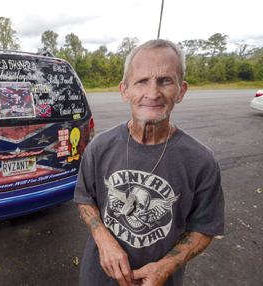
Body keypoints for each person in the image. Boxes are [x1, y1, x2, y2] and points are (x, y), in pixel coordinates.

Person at [74, 39, 225, 286]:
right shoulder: (100, 147)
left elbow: (205, 226)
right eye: (142, 81)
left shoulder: (200, 160)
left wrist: (165, 267)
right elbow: (84, 198)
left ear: (181, 90)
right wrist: (103, 240)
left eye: (165, 80)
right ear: (125, 91)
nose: (152, 93)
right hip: (97, 279)